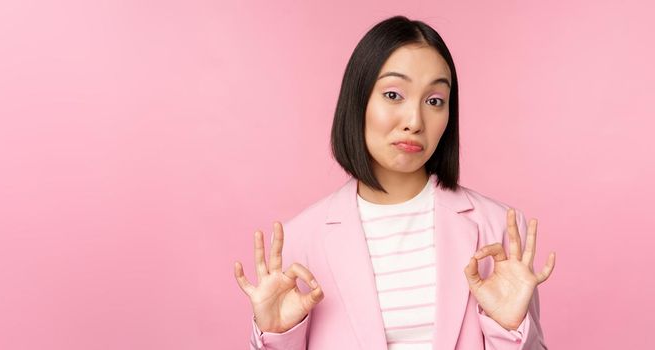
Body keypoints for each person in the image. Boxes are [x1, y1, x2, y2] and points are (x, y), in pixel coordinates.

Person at [233, 16, 556, 350]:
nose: (415, 121)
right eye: (393, 94)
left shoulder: (498, 229)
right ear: (358, 101)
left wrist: (510, 328)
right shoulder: (300, 240)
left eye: (435, 101)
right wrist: (276, 337)